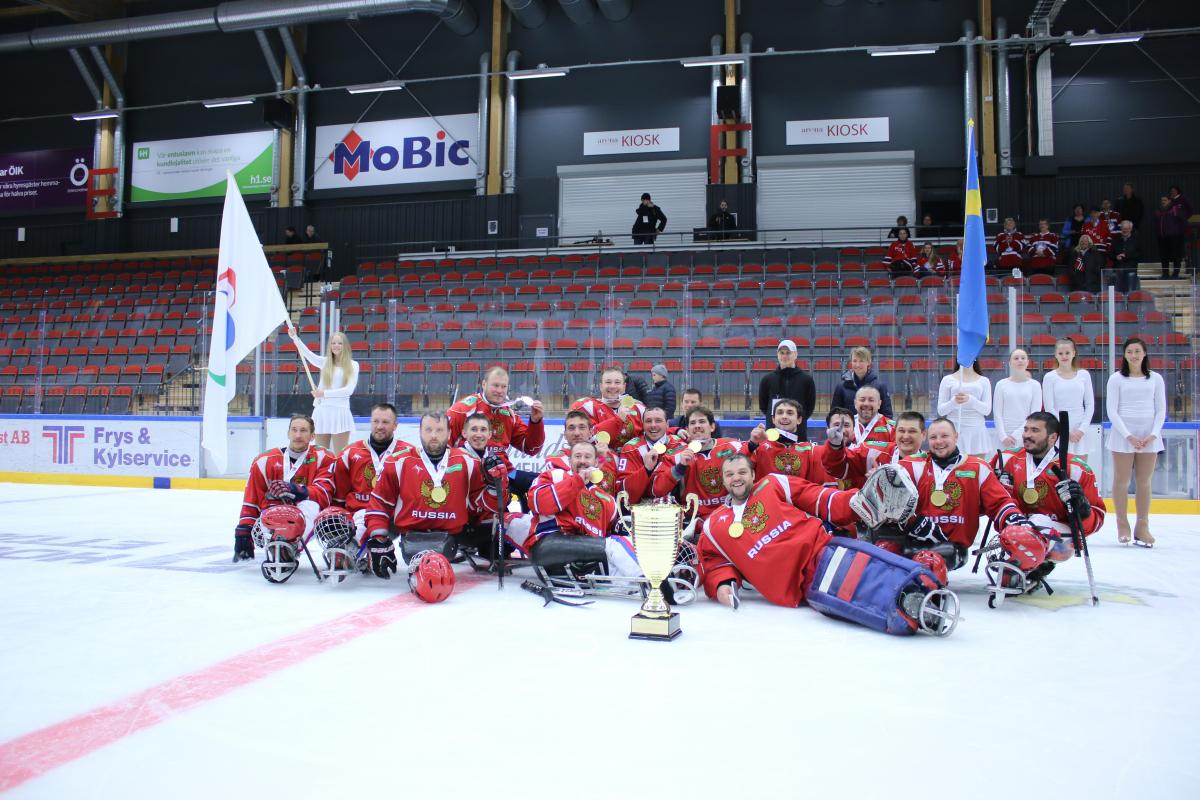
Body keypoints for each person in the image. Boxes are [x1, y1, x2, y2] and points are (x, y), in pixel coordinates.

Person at [697, 454, 959, 636]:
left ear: (753, 474)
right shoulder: (713, 525)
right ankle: (918, 595)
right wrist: (723, 585)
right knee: (865, 602)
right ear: (723, 480)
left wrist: (857, 501)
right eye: (730, 474)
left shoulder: (774, 483)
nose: (737, 478)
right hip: (804, 589)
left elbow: (820, 498)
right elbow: (715, 562)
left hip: (823, 552)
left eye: (742, 472)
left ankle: (923, 586)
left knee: (870, 576)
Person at [363, 412, 504, 574]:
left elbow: (483, 504)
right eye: (428, 430)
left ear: (449, 433)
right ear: (420, 432)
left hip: (453, 535)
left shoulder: (468, 461)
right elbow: (379, 503)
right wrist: (379, 539)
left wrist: (496, 486)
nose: (434, 435)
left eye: (439, 430)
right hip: (411, 535)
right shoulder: (397, 461)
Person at [893, 417, 1029, 577]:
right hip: (912, 541)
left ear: (956, 437)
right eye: (933, 437)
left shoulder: (978, 467)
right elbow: (890, 502)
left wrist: (1014, 519)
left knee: (929, 564)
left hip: (950, 547)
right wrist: (914, 522)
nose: (939, 441)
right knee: (879, 553)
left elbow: (999, 502)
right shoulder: (911, 465)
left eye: (945, 436)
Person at [992, 411, 1105, 598]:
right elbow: (986, 501)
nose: (1027, 434)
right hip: (1017, 529)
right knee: (1021, 528)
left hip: (1060, 542)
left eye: (1035, 430)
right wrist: (997, 485)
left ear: (1053, 437)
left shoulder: (1076, 468)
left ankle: (1041, 562)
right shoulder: (1007, 460)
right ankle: (1025, 565)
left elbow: (1098, 519)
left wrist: (1083, 509)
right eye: (1026, 429)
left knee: (1038, 521)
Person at [506, 440, 641, 578]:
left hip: (583, 560)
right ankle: (656, 585)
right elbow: (539, 503)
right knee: (614, 546)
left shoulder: (607, 500)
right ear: (570, 460)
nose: (582, 461)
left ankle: (648, 583)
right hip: (551, 547)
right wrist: (577, 482)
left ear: (595, 463)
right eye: (577, 456)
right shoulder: (556, 476)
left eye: (587, 457)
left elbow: (610, 532)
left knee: (622, 560)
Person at [232, 413, 336, 566]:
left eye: (303, 430)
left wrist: (295, 490)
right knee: (265, 517)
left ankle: (289, 547)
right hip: (273, 512)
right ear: (288, 433)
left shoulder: (324, 457)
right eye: (294, 430)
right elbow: (252, 497)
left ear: (312, 435)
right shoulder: (264, 461)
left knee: (311, 505)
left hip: (306, 513)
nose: (298, 435)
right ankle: (277, 546)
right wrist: (244, 528)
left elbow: (324, 494)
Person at [447, 365, 545, 507]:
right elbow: (444, 449)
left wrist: (536, 422)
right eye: (495, 386)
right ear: (484, 384)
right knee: (508, 510)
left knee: (546, 483)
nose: (499, 391)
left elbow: (531, 448)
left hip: (507, 474)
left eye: (503, 386)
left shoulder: (507, 412)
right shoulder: (462, 410)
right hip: (473, 476)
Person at [1106, 337, 1167, 547]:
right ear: (1124, 355)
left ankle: (1142, 526)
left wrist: (1153, 434)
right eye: (1130, 351)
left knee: (1144, 481)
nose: (1134, 355)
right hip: (1124, 434)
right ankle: (1122, 523)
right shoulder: (1116, 379)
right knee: (1122, 480)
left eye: (1137, 351)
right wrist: (1128, 435)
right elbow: (1112, 410)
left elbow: (1160, 409)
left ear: (1144, 353)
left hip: (1149, 434)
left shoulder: (1156, 379)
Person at [325, 403, 412, 542]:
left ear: (395, 425)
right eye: (376, 421)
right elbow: (340, 497)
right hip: (359, 513)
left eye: (385, 422)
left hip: (392, 516)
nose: (379, 426)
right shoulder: (350, 453)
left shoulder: (408, 454)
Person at [651, 406, 748, 518]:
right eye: (693, 423)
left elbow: (754, 466)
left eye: (702, 421)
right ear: (687, 429)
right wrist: (680, 467)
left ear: (712, 427)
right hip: (694, 520)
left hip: (730, 515)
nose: (697, 426)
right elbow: (657, 489)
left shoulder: (732, 446)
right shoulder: (677, 455)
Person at [287, 325, 358, 454]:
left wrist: (323, 393)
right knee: (320, 455)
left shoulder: (353, 365)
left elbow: (349, 390)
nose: (336, 345)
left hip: (340, 412)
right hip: (322, 411)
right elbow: (308, 354)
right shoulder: (326, 362)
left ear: (345, 346)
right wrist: (295, 338)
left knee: (340, 456)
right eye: (333, 343)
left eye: (339, 343)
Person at [822, 410, 926, 489]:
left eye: (912, 431)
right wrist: (835, 446)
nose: (906, 436)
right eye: (901, 431)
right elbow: (838, 469)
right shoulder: (873, 451)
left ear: (923, 435)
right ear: (895, 432)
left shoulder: (930, 465)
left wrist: (885, 482)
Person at [615, 405, 685, 504]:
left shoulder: (679, 444)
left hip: (675, 508)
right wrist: (646, 469)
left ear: (667, 424)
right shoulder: (630, 448)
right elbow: (624, 495)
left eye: (658, 420)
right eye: (648, 421)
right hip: (638, 510)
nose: (653, 425)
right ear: (642, 425)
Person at [747, 399, 828, 483]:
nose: (784, 416)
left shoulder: (810, 450)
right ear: (773, 419)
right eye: (780, 412)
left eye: (790, 413)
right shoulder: (758, 447)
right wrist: (752, 444)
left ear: (799, 420)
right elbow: (736, 467)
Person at [1042, 337, 1096, 464]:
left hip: (1080, 431)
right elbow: (1050, 408)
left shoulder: (1084, 375)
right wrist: (1065, 431)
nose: (1064, 356)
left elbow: (1090, 404)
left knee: (1080, 472)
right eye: (1060, 353)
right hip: (1058, 430)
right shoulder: (1050, 377)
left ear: (1074, 353)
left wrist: (1081, 430)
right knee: (1059, 472)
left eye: (1067, 353)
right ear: (1056, 355)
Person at [571, 367, 646, 449]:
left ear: (624, 386)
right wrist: (618, 420)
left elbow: (649, 439)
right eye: (608, 382)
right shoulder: (586, 407)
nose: (613, 386)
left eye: (617, 382)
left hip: (631, 460)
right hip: (600, 460)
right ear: (601, 386)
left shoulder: (639, 408)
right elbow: (585, 440)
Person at [758, 339, 816, 439]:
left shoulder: (806, 380)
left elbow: (809, 407)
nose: (784, 356)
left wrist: (794, 419)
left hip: (798, 432)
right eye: (782, 353)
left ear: (795, 355)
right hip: (773, 433)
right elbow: (764, 406)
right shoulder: (767, 380)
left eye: (788, 353)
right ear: (777, 355)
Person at [937, 360, 992, 460]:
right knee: (953, 468)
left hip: (976, 431)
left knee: (976, 469)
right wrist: (953, 402)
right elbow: (941, 410)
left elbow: (987, 410)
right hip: (954, 429)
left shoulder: (984, 381)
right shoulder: (947, 380)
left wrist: (971, 400)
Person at [992, 349, 1042, 450]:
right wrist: (1003, 437)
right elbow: (997, 413)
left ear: (1027, 362)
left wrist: (1015, 436)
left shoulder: (1035, 385)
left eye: (1023, 358)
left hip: (1027, 434)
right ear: (1010, 363)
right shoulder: (1001, 384)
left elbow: (1035, 414)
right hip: (1004, 437)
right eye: (1016, 358)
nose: (1020, 360)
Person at [830, 346, 893, 418]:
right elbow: (834, 414)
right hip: (850, 429)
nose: (857, 364)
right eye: (854, 361)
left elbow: (887, 416)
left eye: (861, 361)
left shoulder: (880, 387)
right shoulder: (841, 387)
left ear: (868, 362)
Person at [1155, 192, 1188, 279]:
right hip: (1162, 237)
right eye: (1161, 200)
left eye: (1165, 200)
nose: (1163, 202)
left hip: (1175, 237)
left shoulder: (1175, 209)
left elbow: (1183, 219)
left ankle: (1176, 274)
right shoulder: (1159, 210)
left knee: (1176, 256)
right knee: (1164, 256)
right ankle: (1165, 274)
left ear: (1170, 201)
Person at [1110, 220, 1141, 293]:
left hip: (1131, 271)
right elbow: (1110, 254)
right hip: (1118, 272)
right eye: (1123, 229)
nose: (1125, 230)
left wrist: (1126, 256)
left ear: (1130, 229)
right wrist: (1116, 257)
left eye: (1127, 229)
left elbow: (1139, 254)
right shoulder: (1116, 241)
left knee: (1131, 293)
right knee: (1118, 293)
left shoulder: (1136, 241)